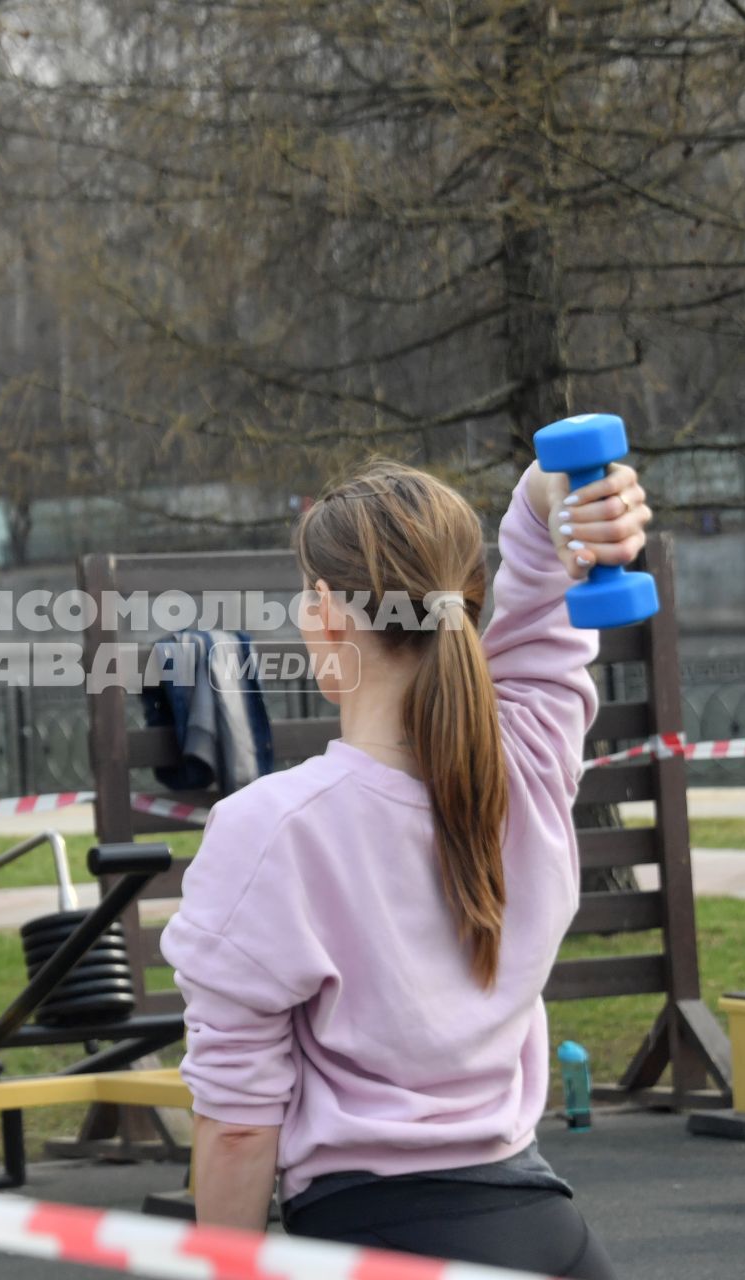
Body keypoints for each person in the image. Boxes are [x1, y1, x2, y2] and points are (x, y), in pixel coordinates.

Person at [161, 456, 646, 1277]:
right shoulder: (529, 763)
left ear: (326, 613)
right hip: (547, 1232)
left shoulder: (270, 829)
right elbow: (541, 610)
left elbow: (240, 1125)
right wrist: (564, 497)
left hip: (381, 1240)